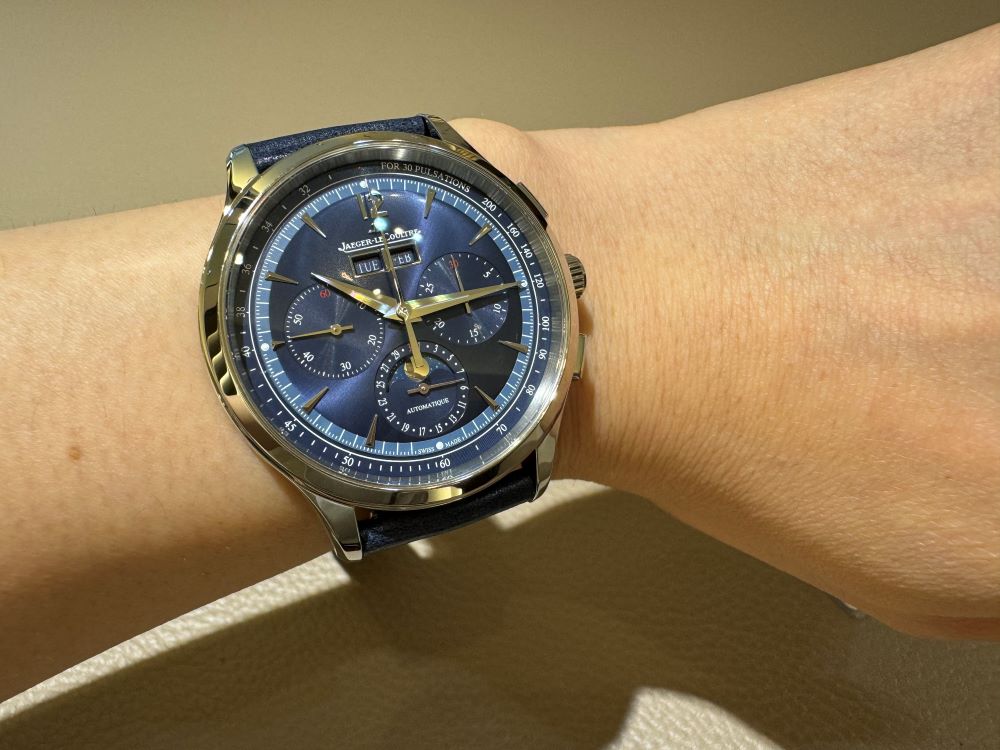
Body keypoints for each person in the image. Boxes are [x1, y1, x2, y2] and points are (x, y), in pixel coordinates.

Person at [1, 25, 997, 701]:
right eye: (362, 308)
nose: (403, 312)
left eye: (427, 298)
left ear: (563, 278)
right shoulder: (271, 284)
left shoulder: (523, 298)